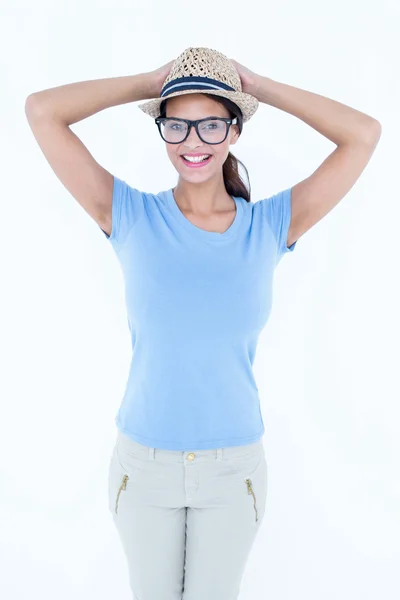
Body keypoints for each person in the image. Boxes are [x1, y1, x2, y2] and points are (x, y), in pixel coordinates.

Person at [25, 46, 381, 600]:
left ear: (235, 130)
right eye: (177, 125)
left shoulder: (270, 225)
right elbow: (42, 111)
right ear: (161, 130)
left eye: (212, 125)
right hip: (142, 469)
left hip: (232, 471)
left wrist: (260, 87)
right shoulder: (129, 214)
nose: (193, 142)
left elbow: (363, 133)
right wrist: (147, 82)